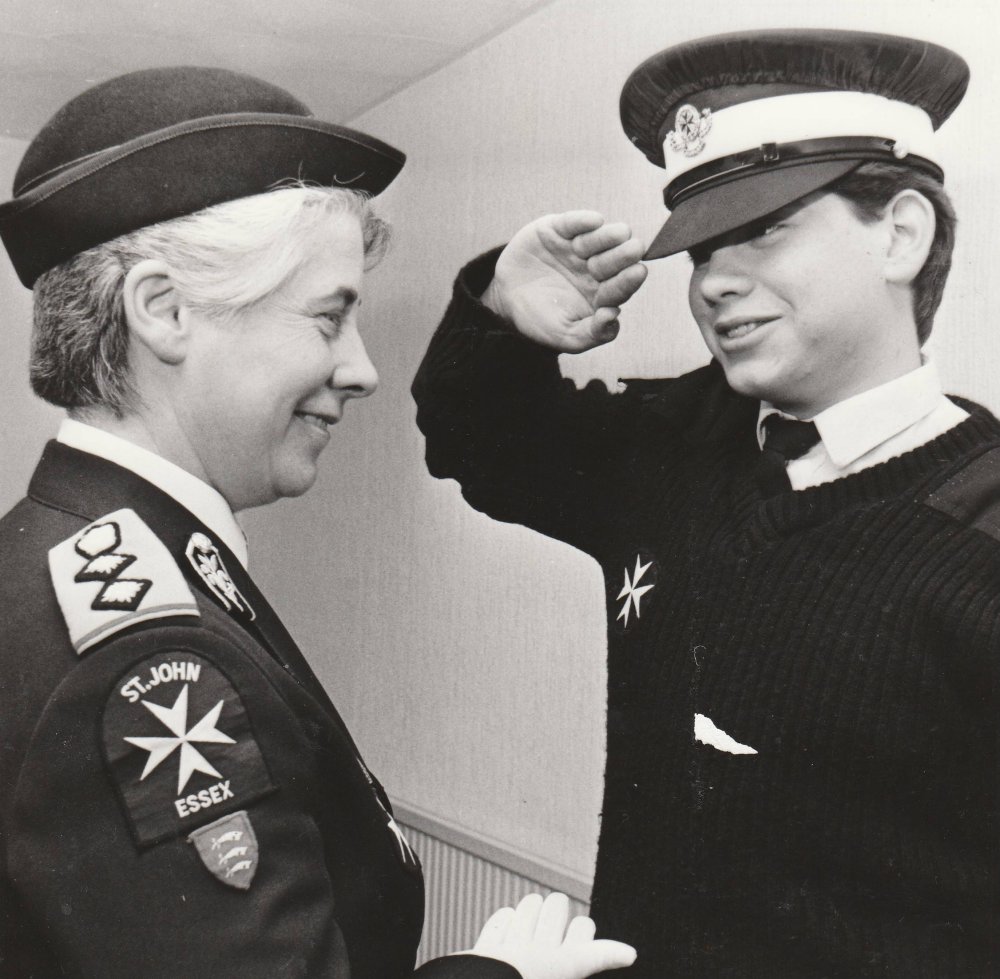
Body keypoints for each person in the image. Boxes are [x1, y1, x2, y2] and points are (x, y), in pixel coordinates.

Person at [0, 67, 637, 979]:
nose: (362, 369)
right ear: (164, 311)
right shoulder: (136, 655)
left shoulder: (58, 547)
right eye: (329, 317)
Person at [412, 29, 999, 977]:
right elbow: (480, 446)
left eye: (765, 229)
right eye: (702, 251)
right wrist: (504, 319)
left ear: (901, 234)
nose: (716, 283)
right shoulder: (680, 444)